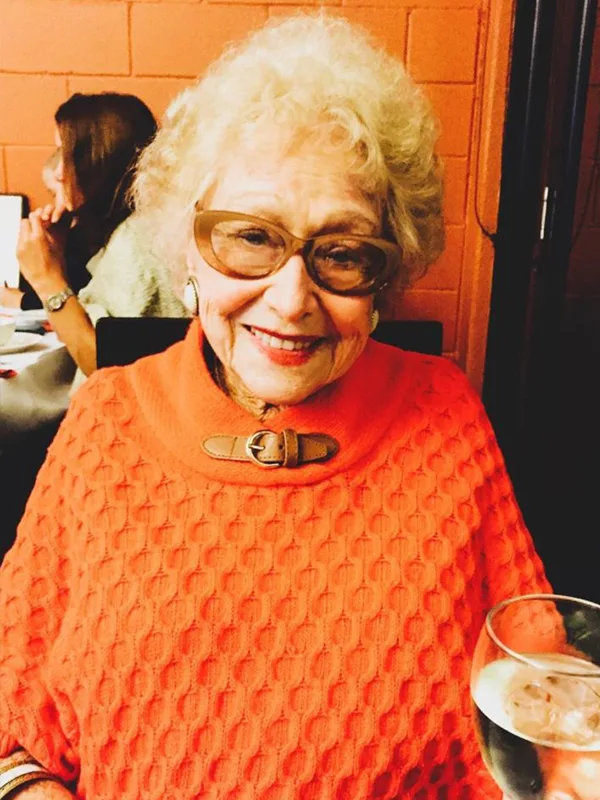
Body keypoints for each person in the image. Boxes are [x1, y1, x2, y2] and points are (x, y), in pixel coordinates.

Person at [1, 13, 580, 800]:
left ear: (387, 267)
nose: (291, 298)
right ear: (190, 245)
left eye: (342, 252)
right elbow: (11, 731)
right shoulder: (106, 421)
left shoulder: (447, 413)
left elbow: (542, 689)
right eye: (251, 237)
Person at [11, 92, 187, 378]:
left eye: (64, 155)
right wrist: (61, 255)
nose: (57, 173)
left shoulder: (139, 240)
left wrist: (46, 279)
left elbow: (102, 364)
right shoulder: (132, 225)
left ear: (96, 161)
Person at [0, 150, 91, 311]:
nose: (56, 203)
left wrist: (20, 300)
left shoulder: (88, 238)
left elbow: (73, 298)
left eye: (55, 193)